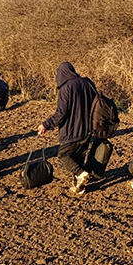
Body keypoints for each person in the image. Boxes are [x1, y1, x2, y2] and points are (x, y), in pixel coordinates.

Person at [37, 62, 98, 195]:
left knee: (63, 155)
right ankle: (79, 187)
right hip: (87, 129)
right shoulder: (88, 83)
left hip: (71, 130)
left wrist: (46, 124)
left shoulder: (66, 88)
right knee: (79, 157)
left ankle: (80, 174)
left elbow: (61, 113)